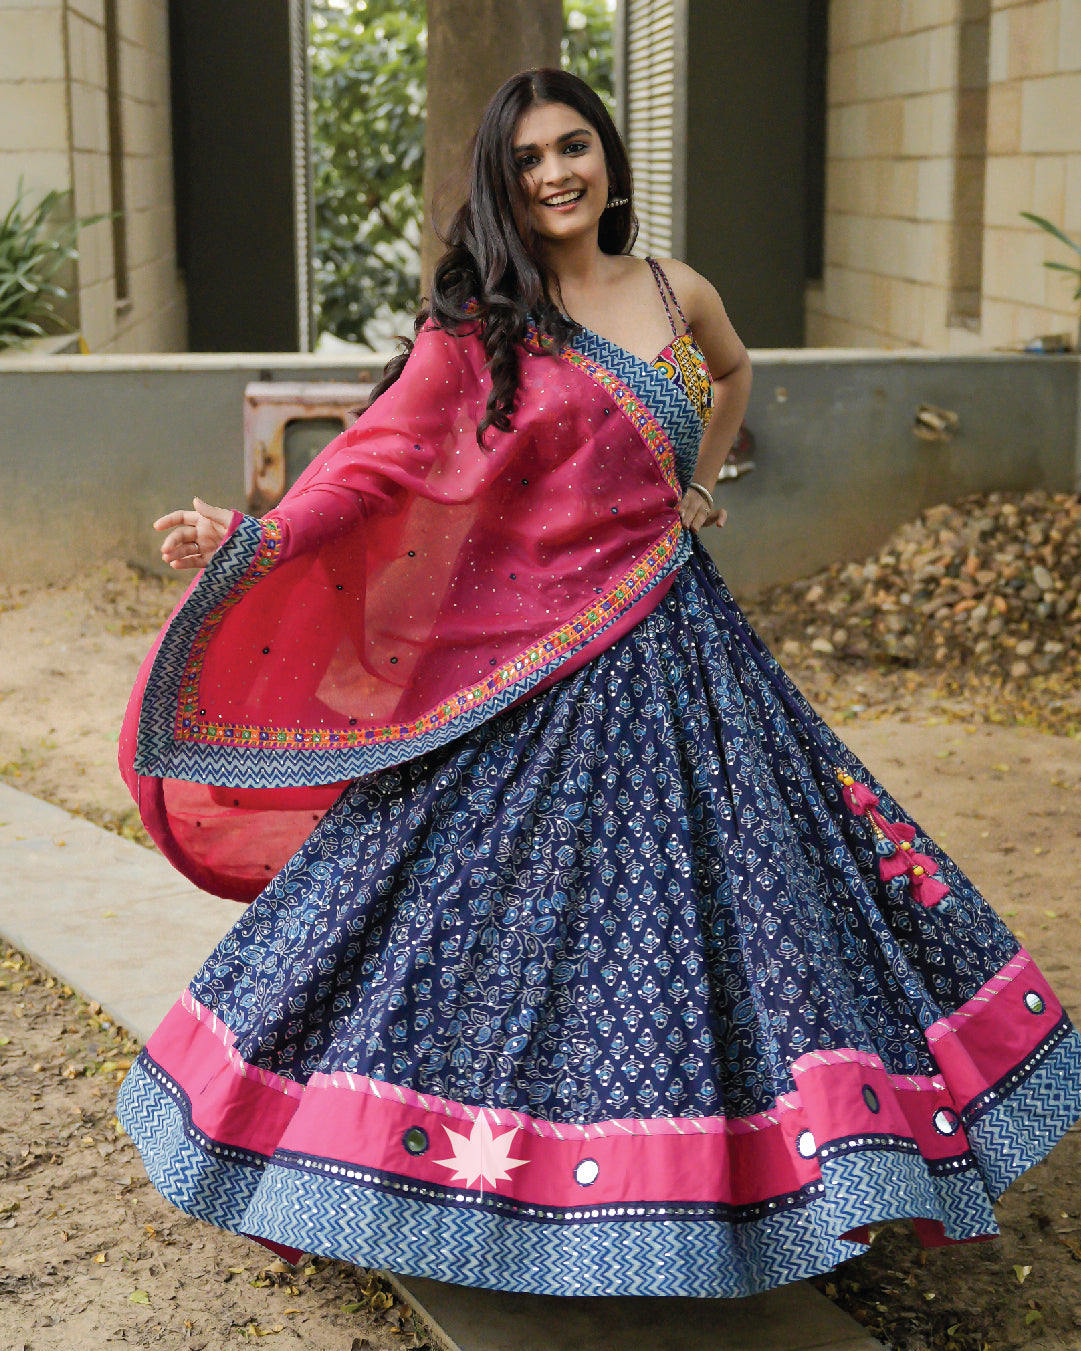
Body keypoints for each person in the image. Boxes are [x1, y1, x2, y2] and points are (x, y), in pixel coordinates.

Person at [116, 69, 1081, 1299]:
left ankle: (751, 1177)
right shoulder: (481, 333)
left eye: (575, 145)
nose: (557, 172)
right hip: (534, 674)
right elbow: (377, 467)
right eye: (528, 159)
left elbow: (731, 376)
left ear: (610, 157)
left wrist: (695, 482)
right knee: (468, 914)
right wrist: (254, 535)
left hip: (687, 652)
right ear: (503, 183)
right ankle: (444, 1180)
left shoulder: (679, 291)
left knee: (752, 907)